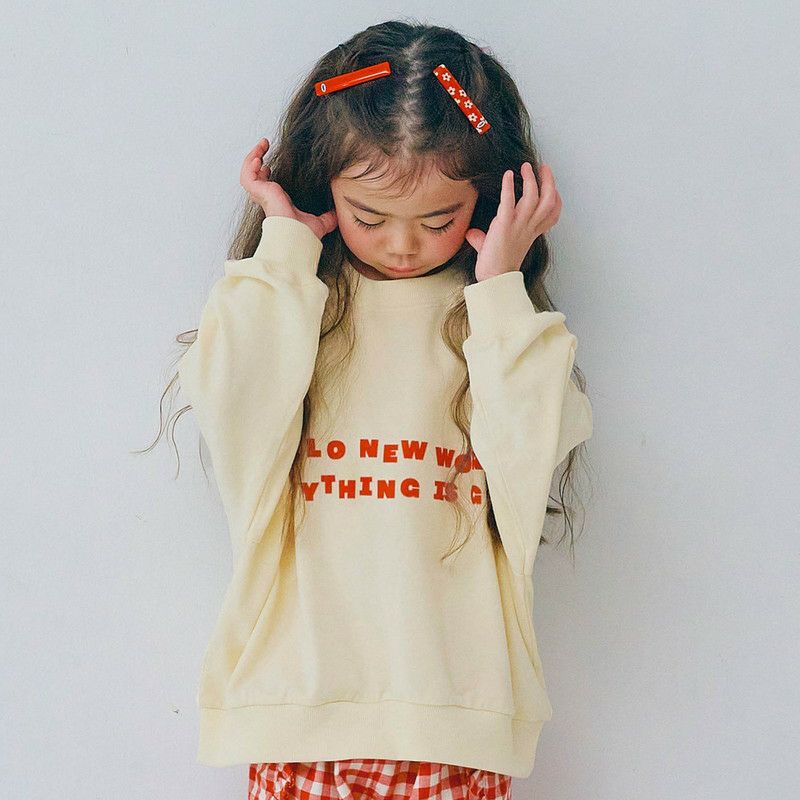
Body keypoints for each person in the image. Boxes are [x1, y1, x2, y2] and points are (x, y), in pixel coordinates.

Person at [151, 20, 593, 800]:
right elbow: (228, 396)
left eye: (437, 220)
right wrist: (284, 248)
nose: (402, 245)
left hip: (454, 720)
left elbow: (539, 439)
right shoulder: (297, 306)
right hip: (298, 710)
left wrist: (500, 287)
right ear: (323, 188)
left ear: (492, 196)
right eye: (370, 216)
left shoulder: (496, 325)